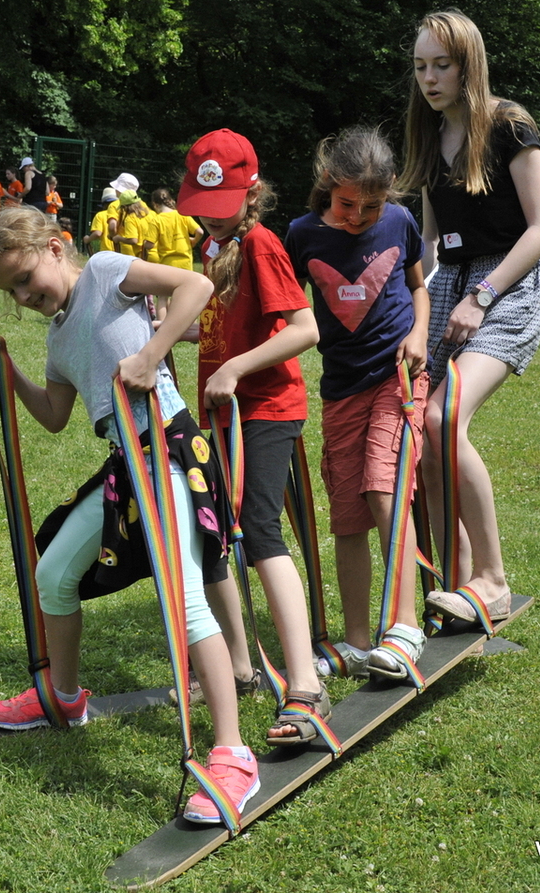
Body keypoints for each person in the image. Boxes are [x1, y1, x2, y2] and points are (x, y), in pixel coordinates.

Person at [0, 206, 258, 823]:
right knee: (52, 575)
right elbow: (54, 415)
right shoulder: (57, 339)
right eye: (11, 292)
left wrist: (152, 353)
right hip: (127, 464)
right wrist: (8, 369)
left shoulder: (104, 271)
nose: (24, 297)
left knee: (184, 600)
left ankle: (233, 755)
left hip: (171, 451)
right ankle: (64, 697)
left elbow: (195, 286)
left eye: (25, 279)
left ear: (54, 247)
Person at [400, 10, 540, 625]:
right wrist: (405, 305)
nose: (429, 78)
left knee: (443, 416)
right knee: (423, 432)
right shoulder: (428, 134)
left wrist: (482, 296)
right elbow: (429, 243)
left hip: (508, 286)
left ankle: (492, 580)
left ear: (469, 65)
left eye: (442, 65)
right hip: (450, 286)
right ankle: (456, 581)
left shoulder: (509, 125)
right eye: (421, 66)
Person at [175, 128, 329, 742]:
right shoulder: (212, 247)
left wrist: (236, 368)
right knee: (212, 535)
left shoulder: (262, 243)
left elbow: (305, 329)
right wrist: (177, 331)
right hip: (222, 414)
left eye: (223, 205)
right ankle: (239, 669)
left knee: (261, 531)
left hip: (265, 409)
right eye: (203, 206)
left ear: (253, 192)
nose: (211, 217)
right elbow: (225, 326)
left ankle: (305, 684)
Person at [287, 126, 432, 682]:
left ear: (389, 191)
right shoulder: (302, 235)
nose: (358, 216)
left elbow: (418, 287)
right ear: (329, 182)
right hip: (340, 388)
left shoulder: (400, 221)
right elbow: (285, 306)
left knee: (383, 489)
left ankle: (404, 626)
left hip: (397, 378)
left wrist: (419, 333)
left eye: (371, 207)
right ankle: (354, 642)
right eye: (348, 204)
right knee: (348, 515)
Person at [151, 187, 198, 270]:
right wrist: (194, 241)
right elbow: (200, 232)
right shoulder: (182, 214)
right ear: (170, 201)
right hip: (185, 262)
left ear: (155, 205)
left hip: (167, 263)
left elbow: (150, 244)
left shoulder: (156, 220)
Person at [86, 187, 120, 253]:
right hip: (121, 251)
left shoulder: (100, 215)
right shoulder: (121, 214)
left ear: (104, 204)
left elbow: (97, 233)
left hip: (106, 252)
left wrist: (88, 239)